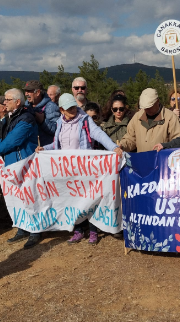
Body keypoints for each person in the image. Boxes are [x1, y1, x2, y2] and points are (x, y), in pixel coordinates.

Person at [36, 93, 123, 245]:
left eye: (74, 106)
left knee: (89, 198)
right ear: (61, 110)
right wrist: (44, 149)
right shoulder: (60, 123)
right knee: (72, 199)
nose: (73, 110)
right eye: (69, 108)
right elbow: (58, 145)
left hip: (85, 168)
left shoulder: (84, 120)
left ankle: (93, 230)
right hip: (67, 169)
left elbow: (99, 134)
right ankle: (78, 230)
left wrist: (113, 147)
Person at [0, 89, 41, 249]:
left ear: (18, 102)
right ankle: (23, 227)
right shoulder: (12, 118)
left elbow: (14, 139)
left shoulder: (26, 118)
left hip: (25, 164)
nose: (4, 102)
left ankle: (35, 231)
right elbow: (6, 138)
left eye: (7, 99)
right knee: (17, 198)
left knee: (30, 197)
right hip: (13, 164)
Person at [119, 88, 180, 153]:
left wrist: (166, 146)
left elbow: (178, 141)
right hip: (142, 160)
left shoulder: (170, 117)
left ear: (157, 101)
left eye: (150, 107)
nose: (147, 110)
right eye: (145, 107)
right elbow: (130, 138)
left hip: (162, 161)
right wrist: (122, 145)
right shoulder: (137, 117)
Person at [23, 80, 60, 146]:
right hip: (30, 149)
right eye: (25, 91)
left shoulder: (51, 106)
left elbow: (57, 130)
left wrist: (43, 121)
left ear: (38, 92)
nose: (26, 94)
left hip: (45, 150)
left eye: (29, 91)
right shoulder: (25, 106)